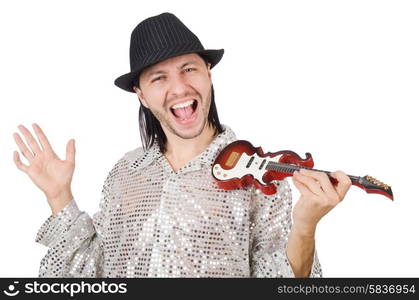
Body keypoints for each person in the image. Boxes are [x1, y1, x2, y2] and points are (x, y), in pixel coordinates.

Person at [12, 12, 352, 278]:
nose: (179, 88)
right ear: (142, 95)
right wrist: (59, 195)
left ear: (208, 73)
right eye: (159, 77)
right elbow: (89, 275)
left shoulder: (260, 178)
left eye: (189, 69)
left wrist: (306, 226)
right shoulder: (124, 174)